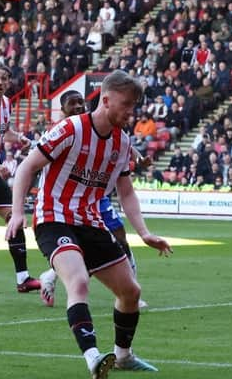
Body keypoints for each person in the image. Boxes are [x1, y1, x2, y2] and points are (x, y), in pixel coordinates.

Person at [6, 70, 172, 379]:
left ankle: (122, 356)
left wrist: (144, 232)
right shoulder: (70, 128)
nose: (130, 112)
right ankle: (93, 357)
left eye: (134, 106)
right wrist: (17, 213)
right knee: (78, 281)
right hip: (54, 217)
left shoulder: (122, 142)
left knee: (131, 291)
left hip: (91, 221)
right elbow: (28, 165)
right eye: (126, 104)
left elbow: (126, 192)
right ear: (106, 100)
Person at [38, 90, 149, 310]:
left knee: (119, 236)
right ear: (62, 109)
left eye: (81, 102)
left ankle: (131, 289)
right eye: (73, 103)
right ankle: (51, 276)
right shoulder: (59, 130)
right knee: (78, 250)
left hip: (95, 196)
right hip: (65, 203)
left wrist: (136, 156)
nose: (79, 106)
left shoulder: (95, 126)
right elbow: (38, 161)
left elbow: (121, 142)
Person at [0, 62, 41, 293]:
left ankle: (23, 278)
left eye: (3, 79)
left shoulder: (7, 104)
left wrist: (21, 138)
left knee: (15, 218)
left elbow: (4, 130)